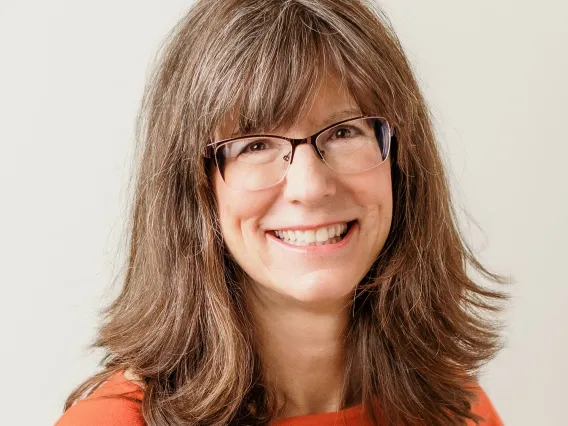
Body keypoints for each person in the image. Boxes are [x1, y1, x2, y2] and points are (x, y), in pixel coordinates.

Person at [55, 0, 508, 425]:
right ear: (194, 188)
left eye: (345, 131)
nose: (310, 188)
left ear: (402, 159)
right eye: (255, 145)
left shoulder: (456, 407)